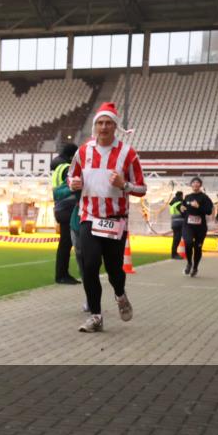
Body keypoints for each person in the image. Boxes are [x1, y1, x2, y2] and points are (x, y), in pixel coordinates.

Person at [68, 102, 147, 333]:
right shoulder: (83, 151)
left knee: (114, 270)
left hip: (115, 221)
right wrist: (73, 183)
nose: (103, 127)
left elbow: (142, 188)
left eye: (108, 123)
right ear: (95, 126)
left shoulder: (127, 153)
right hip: (89, 217)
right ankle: (95, 316)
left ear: (115, 126)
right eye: (100, 123)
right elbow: (71, 178)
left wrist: (125, 185)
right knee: (90, 265)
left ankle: (120, 295)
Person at [50, 143, 81, 284]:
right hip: (69, 208)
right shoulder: (68, 168)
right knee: (67, 243)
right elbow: (73, 187)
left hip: (60, 208)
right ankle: (62, 275)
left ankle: (61, 274)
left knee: (64, 243)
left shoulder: (58, 168)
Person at [180, 177, 214, 277]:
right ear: (191, 185)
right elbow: (184, 211)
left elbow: (209, 211)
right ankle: (189, 263)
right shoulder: (187, 197)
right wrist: (181, 209)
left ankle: (195, 267)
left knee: (197, 248)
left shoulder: (204, 197)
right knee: (188, 242)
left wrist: (198, 206)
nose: (195, 184)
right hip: (188, 226)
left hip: (200, 228)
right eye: (193, 182)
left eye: (197, 182)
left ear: (200, 185)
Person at [168, 190, 185, 259]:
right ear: (181, 195)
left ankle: (174, 253)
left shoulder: (173, 204)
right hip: (179, 223)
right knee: (177, 239)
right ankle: (174, 254)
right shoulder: (179, 203)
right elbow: (184, 213)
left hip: (174, 223)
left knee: (176, 239)